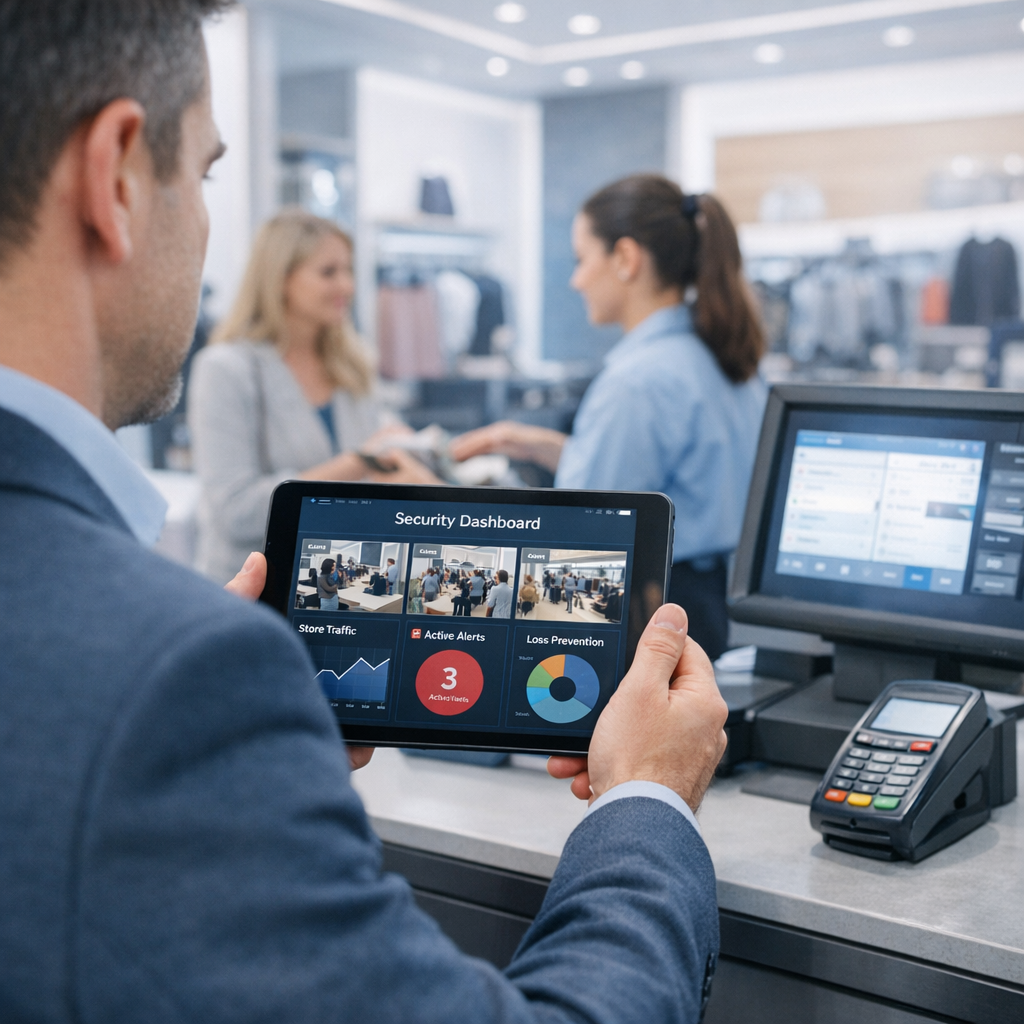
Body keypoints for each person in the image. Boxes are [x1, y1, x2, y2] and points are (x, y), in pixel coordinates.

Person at [0, 5, 728, 1021]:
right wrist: (649, 794)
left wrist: (251, 776)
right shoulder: (164, 675)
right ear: (117, 175)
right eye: (206, 174)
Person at [452, 175, 769, 661]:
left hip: (656, 613)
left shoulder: (637, 381)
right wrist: (532, 443)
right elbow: (672, 478)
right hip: (715, 608)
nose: (576, 280)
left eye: (582, 259)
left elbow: (584, 532)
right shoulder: (722, 358)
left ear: (625, 258)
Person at [188, 208, 435, 584]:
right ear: (281, 278)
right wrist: (360, 462)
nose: (347, 286)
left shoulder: (352, 362)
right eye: (328, 272)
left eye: (349, 271)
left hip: (331, 587)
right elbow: (234, 511)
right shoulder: (226, 369)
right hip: (252, 592)